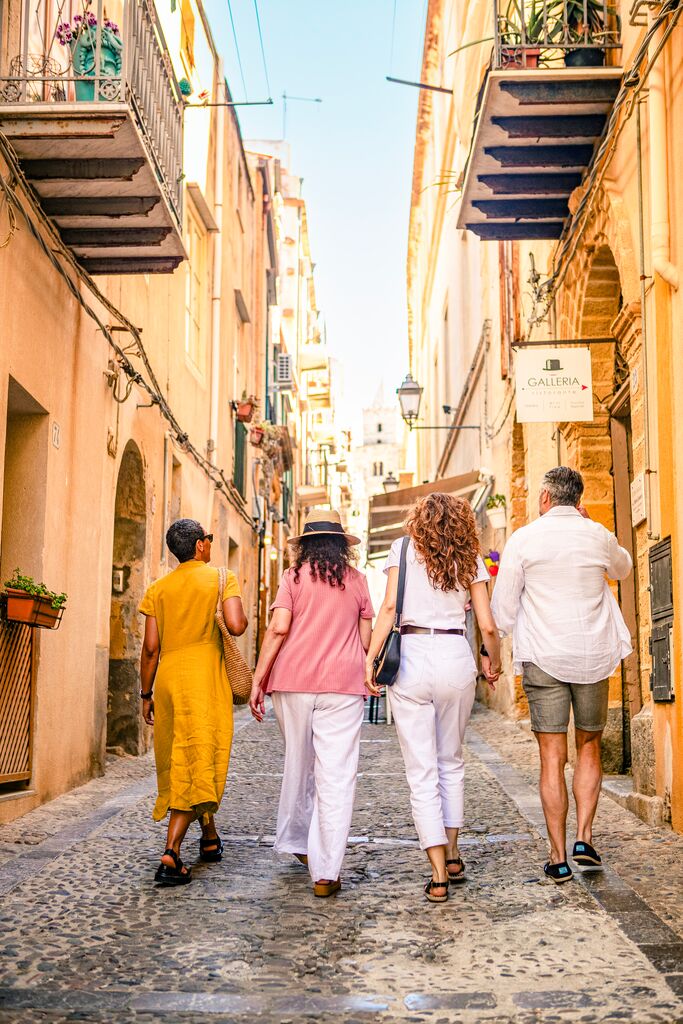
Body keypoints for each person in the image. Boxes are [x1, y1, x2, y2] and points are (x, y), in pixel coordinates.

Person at [490, 466, 633, 883]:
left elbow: (503, 609)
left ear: (545, 498)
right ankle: (584, 837)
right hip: (592, 654)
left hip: (545, 657)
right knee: (589, 744)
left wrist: (508, 638)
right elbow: (622, 568)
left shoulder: (524, 539)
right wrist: (594, 527)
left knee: (552, 756)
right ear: (578, 498)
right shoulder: (597, 534)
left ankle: (557, 855)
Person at [365, 493, 501, 904]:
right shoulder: (470, 557)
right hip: (455, 655)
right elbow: (488, 624)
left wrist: (370, 659)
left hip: (411, 657)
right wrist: (491, 664)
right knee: (451, 762)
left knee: (421, 770)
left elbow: (388, 608)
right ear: (461, 521)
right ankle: (455, 852)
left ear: (418, 520)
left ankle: (438, 873)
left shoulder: (401, 549)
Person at [249, 509, 375, 898]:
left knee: (299, 765)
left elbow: (278, 628)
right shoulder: (357, 581)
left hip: (292, 682)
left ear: (304, 546)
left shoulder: (292, 578)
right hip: (343, 685)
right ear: (342, 547)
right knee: (336, 776)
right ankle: (326, 871)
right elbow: (366, 639)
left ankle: (300, 843)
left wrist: (257, 678)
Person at [139, 518, 248, 885]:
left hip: (169, 678)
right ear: (200, 544)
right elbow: (236, 625)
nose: (211, 544)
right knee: (199, 756)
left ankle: (209, 835)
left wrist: (145, 694)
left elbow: (150, 649)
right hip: (204, 678)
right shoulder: (221, 578)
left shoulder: (158, 589)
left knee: (181, 755)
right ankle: (171, 852)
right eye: (210, 539)